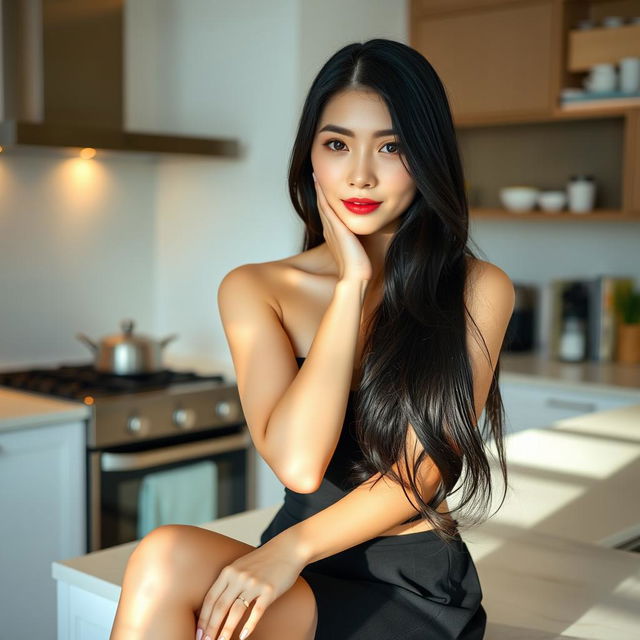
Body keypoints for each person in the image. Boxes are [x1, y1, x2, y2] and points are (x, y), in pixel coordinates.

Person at [109, 38, 514, 640]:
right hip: (298, 560)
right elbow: (299, 467)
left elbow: (419, 477)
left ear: (427, 155)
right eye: (337, 144)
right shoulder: (256, 288)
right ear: (310, 157)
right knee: (162, 556)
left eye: (391, 146)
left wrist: (287, 553)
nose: (360, 174)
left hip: (407, 579)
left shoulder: (477, 289)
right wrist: (350, 284)